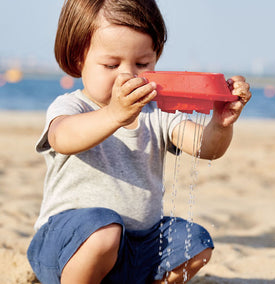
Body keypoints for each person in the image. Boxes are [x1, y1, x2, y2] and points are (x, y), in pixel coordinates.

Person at [27, 0, 251, 283]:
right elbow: (63, 138)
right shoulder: (72, 107)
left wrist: (220, 123)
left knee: (194, 243)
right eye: (111, 64)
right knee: (104, 233)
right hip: (69, 246)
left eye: (142, 64)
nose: (128, 75)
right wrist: (114, 115)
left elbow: (206, 148)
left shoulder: (157, 112)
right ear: (78, 58)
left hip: (137, 246)